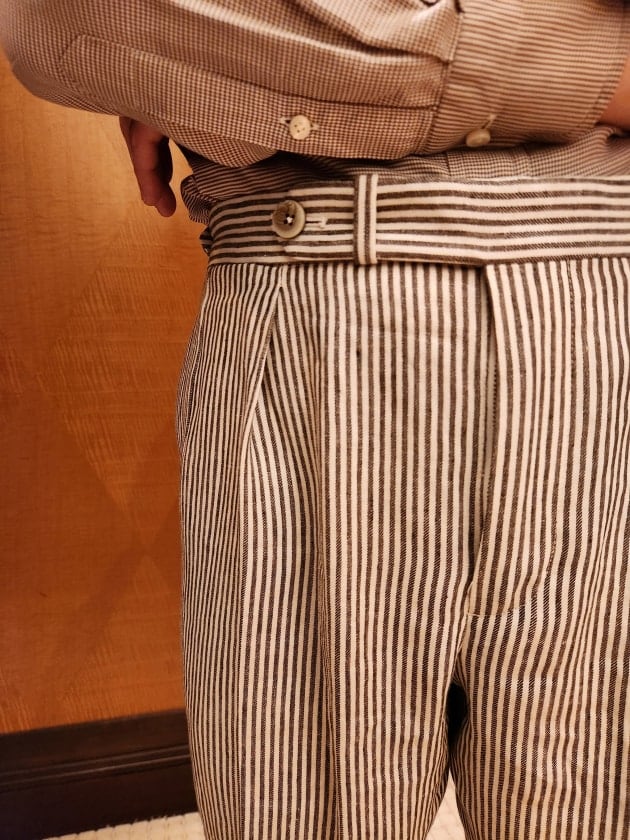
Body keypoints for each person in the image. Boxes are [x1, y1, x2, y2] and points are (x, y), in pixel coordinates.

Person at [1, 2, 629, 838]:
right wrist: (598, 73)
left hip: (602, 314)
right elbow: (72, 18)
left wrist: (256, 61)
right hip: (317, 306)